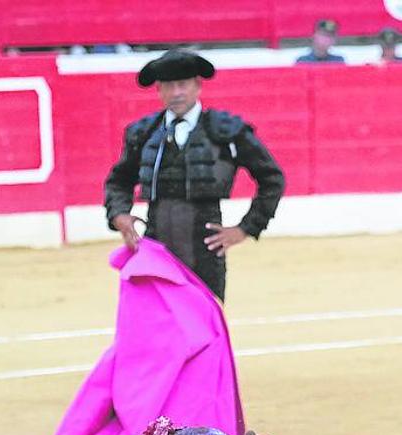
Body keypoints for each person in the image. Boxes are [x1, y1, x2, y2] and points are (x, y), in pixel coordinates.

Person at [104, 49, 286, 302]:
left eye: (183, 84)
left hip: (206, 246)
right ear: (159, 90)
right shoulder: (144, 133)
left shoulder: (226, 131)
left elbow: (272, 178)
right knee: (161, 327)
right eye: (168, 85)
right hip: (156, 244)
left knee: (204, 326)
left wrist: (246, 228)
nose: (176, 92)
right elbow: (119, 180)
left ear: (198, 86)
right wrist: (119, 214)